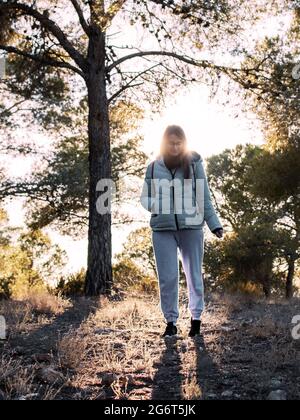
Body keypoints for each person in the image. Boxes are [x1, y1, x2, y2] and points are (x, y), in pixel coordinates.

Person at [140, 125, 224, 338]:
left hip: (192, 228)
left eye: (179, 143)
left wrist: (214, 224)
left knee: (193, 275)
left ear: (184, 143)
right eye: (171, 143)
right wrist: (156, 204)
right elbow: (144, 197)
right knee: (167, 278)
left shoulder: (195, 164)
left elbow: (204, 197)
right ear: (164, 143)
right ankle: (171, 322)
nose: (175, 147)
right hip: (162, 229)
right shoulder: (152, 167)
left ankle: (196, 319)